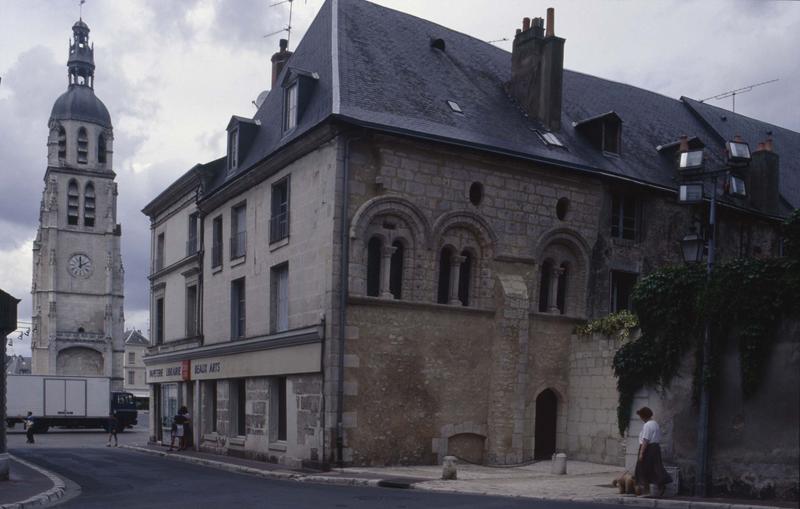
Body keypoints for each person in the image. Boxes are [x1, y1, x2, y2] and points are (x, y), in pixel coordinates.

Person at [634, 406, 672, 497]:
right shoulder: (655, 423)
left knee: (642, 468)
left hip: (648, 448)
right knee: (655, 467)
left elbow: (645, 440)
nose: (640, 418)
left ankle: (646, 491)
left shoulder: (647, 425)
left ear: (644, 416)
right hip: (655, 447)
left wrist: (641, 453)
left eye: (641, 416)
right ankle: (660, 485)